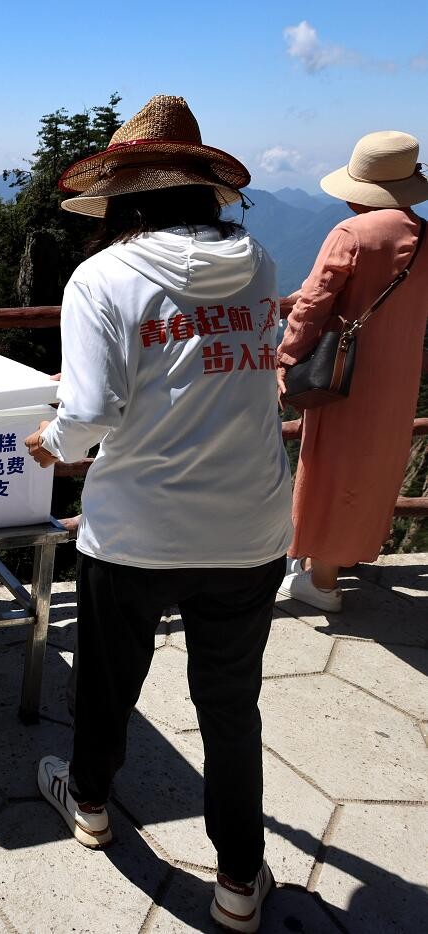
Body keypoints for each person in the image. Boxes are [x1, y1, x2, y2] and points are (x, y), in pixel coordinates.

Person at [21, 95, 293, 933]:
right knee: (229, 702)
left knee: (109, 680)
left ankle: (93, 803)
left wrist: (52, 441)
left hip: (135, 527)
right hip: (249, 526)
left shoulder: (104, 278)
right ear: (199, 187)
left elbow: (93, 412)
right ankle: (240, 881)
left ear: (125, 196)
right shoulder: (259, 263)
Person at [276, 131, 428, 612]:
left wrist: (285, 360)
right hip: (399, 375)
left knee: (328, 465)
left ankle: (320, 581)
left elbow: (313, 304)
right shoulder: (425, 236)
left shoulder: (350, 235)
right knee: (374, 466)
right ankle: (340, 558)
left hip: (343, 374)